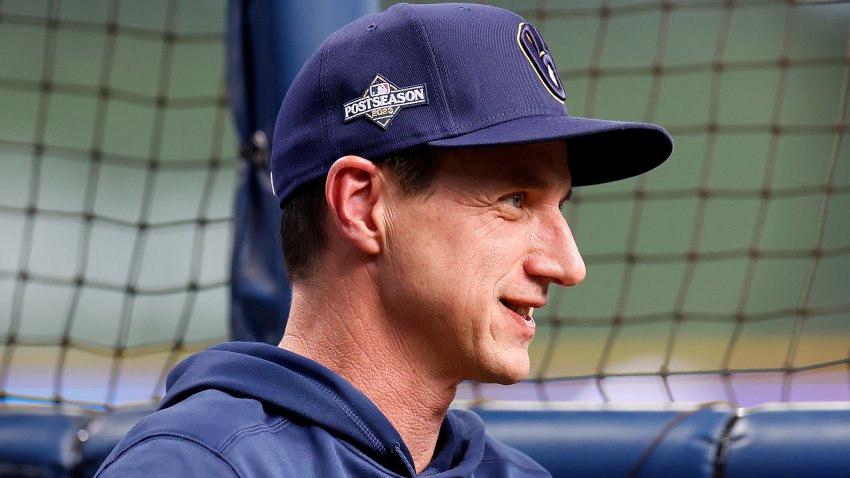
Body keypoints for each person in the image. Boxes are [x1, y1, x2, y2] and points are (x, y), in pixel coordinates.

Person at [96, 3, 672, 477]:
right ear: (363, 206)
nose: (568, 266)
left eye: (560, 205)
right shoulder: (196, 467)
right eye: (515, 200)